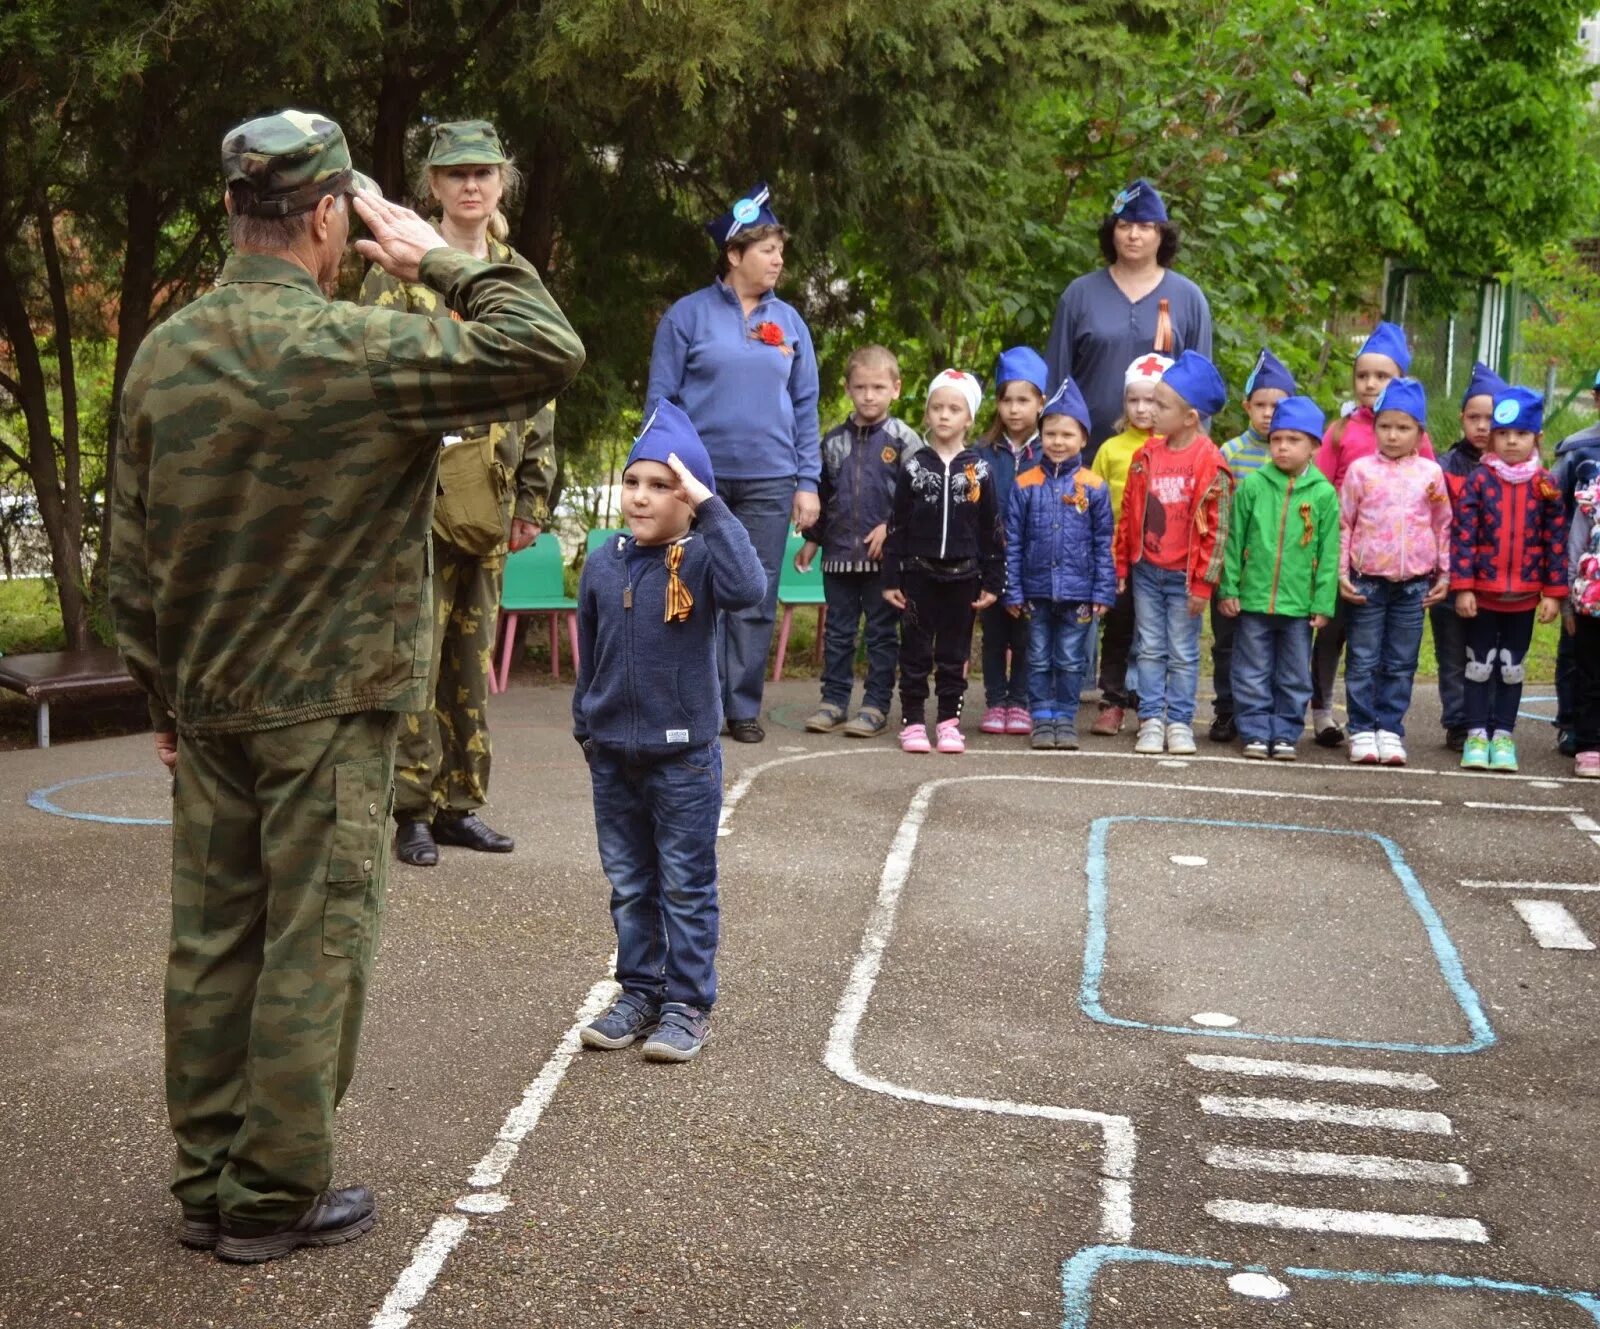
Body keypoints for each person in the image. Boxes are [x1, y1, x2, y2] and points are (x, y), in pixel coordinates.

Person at [107, 110, 584, 1261]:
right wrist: (435, 258)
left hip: (215, 704)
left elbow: (131, 561)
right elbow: (543, 349)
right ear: (330, 216)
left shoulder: (164, 354)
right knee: (315, 945)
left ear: (232, 211)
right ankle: (271, 1196)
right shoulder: (360, 350)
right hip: (330, 706)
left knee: (215, 941)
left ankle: (208, 1176)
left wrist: (163, 704)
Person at [360, 119, 558, 867]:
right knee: (416, 652)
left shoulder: (514, 276)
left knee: (471, 658)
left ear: (501, 183)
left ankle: (459, 803)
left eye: (483, 172)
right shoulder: (395, 269)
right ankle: (410, 808)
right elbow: (370, 376)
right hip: (415, 501)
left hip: (492, 500)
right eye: (456, 174)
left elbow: (544, 392)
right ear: (433, 187)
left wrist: (532, 500)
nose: (471, 184)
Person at [573, 403, 766, 1063]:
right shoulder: (604, 563)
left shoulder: (706, 558)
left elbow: (751, 589)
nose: (641, 496)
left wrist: (712, 506)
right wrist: (587, 726)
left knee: (684, 883)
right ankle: (639, 991)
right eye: (634, 481)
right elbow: (588, 650)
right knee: (630, 883)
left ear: (689, 499)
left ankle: (687, 1002)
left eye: (662, 485)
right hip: (613, 758)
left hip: (682, 762)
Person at [645, 182, 821, 744]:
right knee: (688, 588)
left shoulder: (790, 322)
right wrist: (660, 474)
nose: (778, 259)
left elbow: (806, 406)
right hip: (699, 481)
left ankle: (741, 707)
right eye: (768, 249)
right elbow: (661, 401)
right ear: (734, 254)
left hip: (772, 478)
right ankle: (690, 701)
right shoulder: (686, 316)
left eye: (780, 250)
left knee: (755, 591)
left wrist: (808, 482)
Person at [1308, 321, 1436, 748]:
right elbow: (1322, 487)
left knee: (1381, 644)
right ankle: (1323, 711)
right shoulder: (1342, 430)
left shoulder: (1418, 439)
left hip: (1393, 567)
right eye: (1363, 375)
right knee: (1332, 632)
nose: (1370, 383)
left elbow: (1431, 501)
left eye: (1382, 376)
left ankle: (1382, 723)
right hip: (1342, 551)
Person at [1113, 349, 1232, 756]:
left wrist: (1203, 584)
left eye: (1161, 405)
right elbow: (1129, 513)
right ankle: (1150, 718)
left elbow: (1217, 531)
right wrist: (1122, 562)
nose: (1151, 411)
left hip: (1185, 577)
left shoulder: (1209, 462)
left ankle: (1179, 721)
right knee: (1148, 646)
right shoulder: (1145, 455)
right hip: (1147, 570)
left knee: (1182, 652)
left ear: (1189, 417)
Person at [796, 345, 918, 738]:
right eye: (861, 387)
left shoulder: (905, 440)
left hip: (884, 562)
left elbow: (919, 495)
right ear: (848, 388)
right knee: (838, 632)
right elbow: (823, 494)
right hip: (838, 557)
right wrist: (812, 541)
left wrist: (892, 527)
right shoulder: (832, 441)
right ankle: (833, 701)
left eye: (879, 387)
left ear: (896, 389)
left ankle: (875, 705)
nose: (869, 395)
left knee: (881, 634)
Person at [1044, 177, 1213, 458]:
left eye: (1145, 227)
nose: (1133, 235)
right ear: (1112, 233)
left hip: (1166, 463)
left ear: (1161, 235)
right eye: (1124, 226)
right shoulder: (1080, 294)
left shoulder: (1188, 298)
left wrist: (1192, 455)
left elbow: (1201, 388)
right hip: (1084, 457)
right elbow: (1055, 378)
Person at [882, 370, 1005, 754]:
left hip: (963, 577)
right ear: (928, 413)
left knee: (955, 655)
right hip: (919, 577)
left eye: (954, 408)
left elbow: (991, 528)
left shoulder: (980, 470)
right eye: (937, 407)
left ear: (969, 417)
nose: (944, 415)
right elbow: (897, 524)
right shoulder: (914, 467)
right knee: (915, 652)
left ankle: (949, 722)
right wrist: (890, 577)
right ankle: (914, 722)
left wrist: (992, 579)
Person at [1450, 386, 1567, 772]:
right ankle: (1475, 735)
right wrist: (1463, 585)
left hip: (1524, 599)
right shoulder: (1480, 481)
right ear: (1493, 437)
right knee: (1478, 665)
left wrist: (1553, 593)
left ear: (1537, 437)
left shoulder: (1545, 484)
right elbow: (1464, 536)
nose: (1511, 441)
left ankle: (1502, 736)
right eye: (1503, 433)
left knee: (1512, 666)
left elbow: (1555, 540)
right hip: (1482, 595)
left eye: (1521, 433)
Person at [1216, 395, 1339, 759]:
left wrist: (1322, 602)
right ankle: (1254, 729)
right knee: (1251, 670)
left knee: (1294, 673)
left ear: (1314, 446)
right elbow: (1234, 540)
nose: (1282, 447)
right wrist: (1229, 587)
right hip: (1253, 601)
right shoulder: (1253, 486)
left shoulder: (1324, 495)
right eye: (1277, 439)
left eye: (1294, 440)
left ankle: (1285, 731)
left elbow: (1328, 555)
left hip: (1298, 605)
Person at [1337, 377, 1451, 767]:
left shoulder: (1431, 475)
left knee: (1402, 661)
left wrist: (1444, 576)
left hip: (1413, 586)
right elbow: (1344, 524)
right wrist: (1342, 573)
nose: (1393, 435)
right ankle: (1362, 729)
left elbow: (1442, 524)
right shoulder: (1360, 471)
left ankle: (1390, 729)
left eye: (1403, 428)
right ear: (1374, 429)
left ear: (1420, 433)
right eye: (1385, 426)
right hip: (1367, 581)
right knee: (1364, 658)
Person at [1004, 378, 1116, 749]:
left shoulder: (1095, 487)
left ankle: (1065, 717)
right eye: (1050, 433)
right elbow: (1013, 542)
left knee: (1070, 660)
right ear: (1041, 436)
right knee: (1036, 658)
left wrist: (1103, 590)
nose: (1057, 441)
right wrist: (1013, 591)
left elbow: (1104, 543)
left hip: (1079, 593)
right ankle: (1042, 718)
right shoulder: (1023, 485)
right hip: (1035, 591)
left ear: (1083, 439)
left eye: (1067, 434)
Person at [1208, 347, 1296, 744]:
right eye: (1259, 405)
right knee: (1227, 645)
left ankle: (1268, 715)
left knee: (1270, 648)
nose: (1268, 414)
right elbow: (1220, 516)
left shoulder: (1296, 455)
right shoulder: (1231, 452)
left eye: (1277, 406)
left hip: (1276, 575)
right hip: (1234, 569)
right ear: (1246, 406)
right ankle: (1227, 710)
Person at [1088, 352, 1171, 734]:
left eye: (1152, 400)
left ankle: (1150, 705)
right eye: (1133, 400)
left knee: (1155, 635)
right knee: (1119, 629)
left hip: (1163, 558)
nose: (1142, 408)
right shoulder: (1111, 449)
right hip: (1118, 556)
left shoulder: (1176, 448)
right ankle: (1113, 700)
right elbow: (1092, 501)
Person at [975, 346, 1050, 735]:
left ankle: (1019, 700)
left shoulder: (1051, 451)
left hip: (1033, 561)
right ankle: (995, 700)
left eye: (1024, 400)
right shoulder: (982, 452)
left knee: (1026, 635)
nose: (1015, 409)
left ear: (1041, 402)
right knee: (993, 635)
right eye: (1007, 400)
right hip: (991, 561)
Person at [1433, 362, 1508, 751]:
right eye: (1474, 417)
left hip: (1497, 584)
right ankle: (1459, 721)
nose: (1482, 426)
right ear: (1461, 418)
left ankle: (1490, 719)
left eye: (1492, 418)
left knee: (1492, 654)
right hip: (1451, 583)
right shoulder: (1444, 468)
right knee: (1452, 653)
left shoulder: (1518, 471)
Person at [1552, 370, 1600, 757]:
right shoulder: (1578, 450)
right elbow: (1555, 504)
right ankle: (1571, 722)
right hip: (1584, 576)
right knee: (1576, 652)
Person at [1567, 469, 1600, 777]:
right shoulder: (1592, 494)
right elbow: (1576, 547)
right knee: (1590, 676)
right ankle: (1589, 745)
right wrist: (1568, 604)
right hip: (1592, 605)